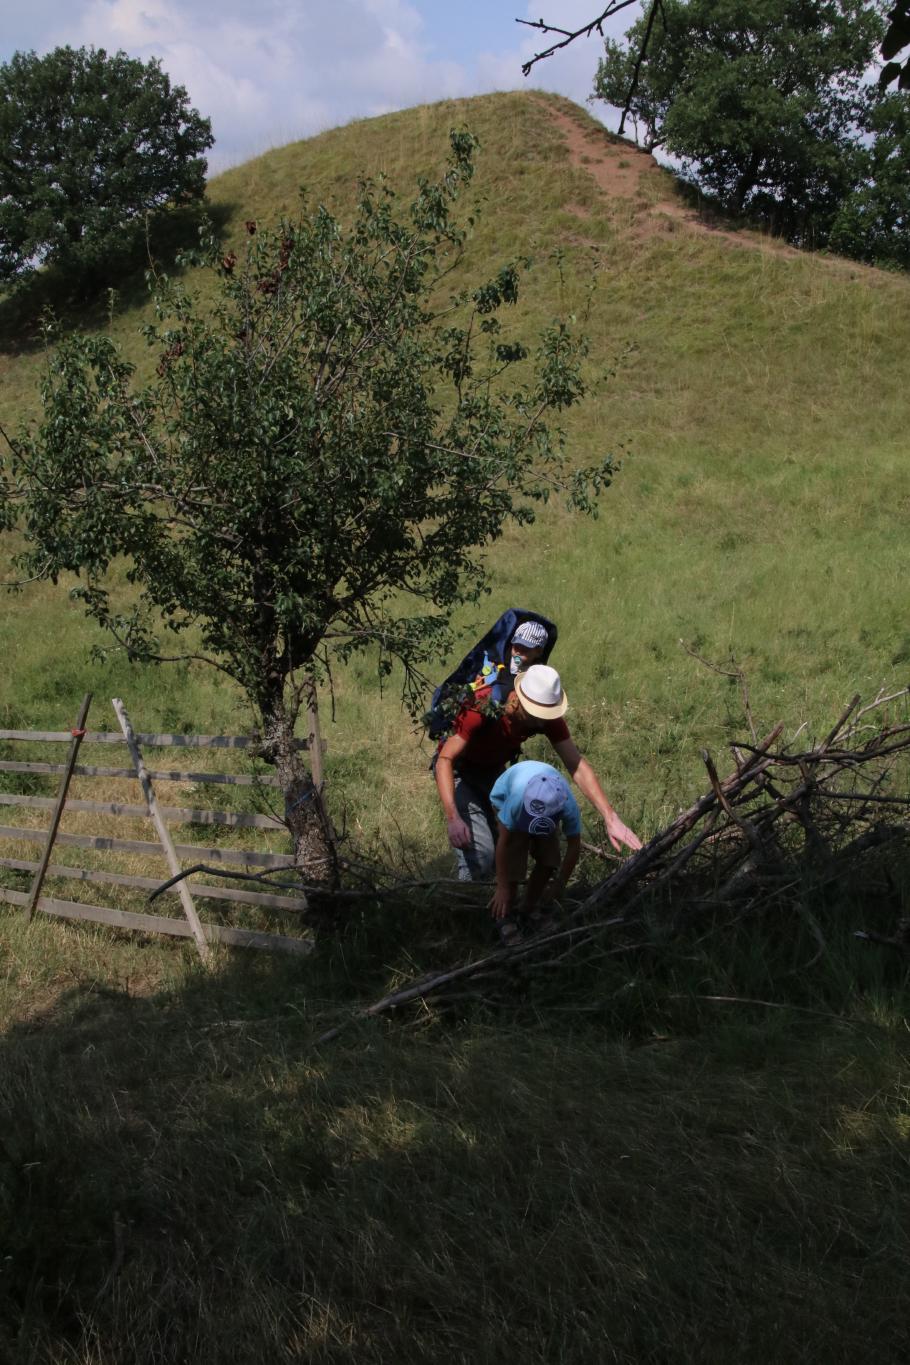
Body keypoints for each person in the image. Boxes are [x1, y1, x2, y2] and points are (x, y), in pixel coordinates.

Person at [434, 662, 642, 882]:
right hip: (460, 772)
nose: (542, 720)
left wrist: (611, 817)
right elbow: (444, 760)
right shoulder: (482, 707)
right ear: (517, 701)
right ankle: (462, 907)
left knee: (503, 852)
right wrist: (453, 818)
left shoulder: (545, 718)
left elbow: (576, 764)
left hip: (495, 772)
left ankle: (499, 907)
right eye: (536, 714)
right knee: (481, 856)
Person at [488, 761, 582, 945]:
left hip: (543, 804)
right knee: (515, 854)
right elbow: (503, 843)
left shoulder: (567, 807)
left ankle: (528, 908)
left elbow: (574, 846)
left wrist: (560, 884)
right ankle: (504, 914)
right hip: (504, 799)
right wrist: (502, 887)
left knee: (550, 858)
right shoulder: (516, 800)